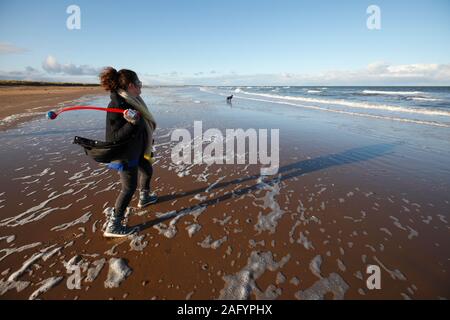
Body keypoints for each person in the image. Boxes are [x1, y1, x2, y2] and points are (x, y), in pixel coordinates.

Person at [100, 67, 158, 238]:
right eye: (139, 84)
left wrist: (144, 135)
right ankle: (114, 225)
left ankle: (145, 198)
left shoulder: (133, 100)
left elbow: (142, 125)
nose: (141, 87)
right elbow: (113, 137)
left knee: (147, 171)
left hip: (138, 149)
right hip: (125, 155)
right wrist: (131, 123)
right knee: (128, 188)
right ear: (131, 85)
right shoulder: (116, 105)